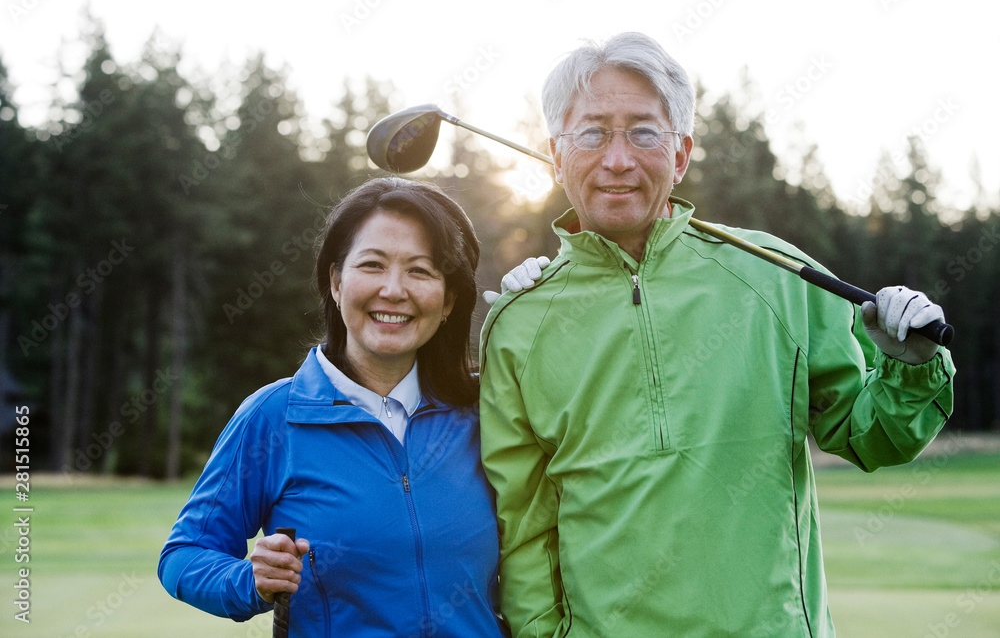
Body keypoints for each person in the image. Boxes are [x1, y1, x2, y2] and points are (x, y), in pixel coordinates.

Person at [478, 32, 955, 637]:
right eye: (593, 133)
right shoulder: (519, 322)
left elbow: (872, 438)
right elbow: (524, 529)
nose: (618, 159)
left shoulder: (777, 275)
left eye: (645, 132)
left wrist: (909, 369)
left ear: (680, 155)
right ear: (556, 155)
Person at [159, 177, 511, 637]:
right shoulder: (272, 416)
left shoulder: (489, 411)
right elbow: (183, 555)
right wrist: (249, 581)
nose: (393, 289)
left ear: (448, 301)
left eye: (420, 270)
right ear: (336, 282)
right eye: (372, 264)